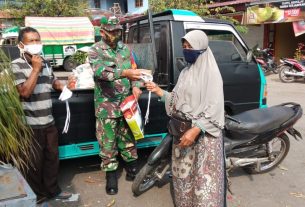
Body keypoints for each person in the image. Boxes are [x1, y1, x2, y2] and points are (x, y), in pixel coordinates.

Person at [146, 30, 226, 207]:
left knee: (203, 181)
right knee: (183, 178)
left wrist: (196, 129)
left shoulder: (212, 75)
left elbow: (215, 108)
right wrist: (159, 91)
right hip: (182, 132)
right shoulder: (186, 73)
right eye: (184, 46)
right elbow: (177, 100)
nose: (186, 49)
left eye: (190, 46)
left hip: (203, 138)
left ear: (202, 48)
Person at [11, 27, 72, 204]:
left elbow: (52, 81)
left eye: (38, 40)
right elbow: (24, 92)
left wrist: (62, 86)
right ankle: (37, 196)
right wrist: (35, 69)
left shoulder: (45, 63)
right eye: (31, 41)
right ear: (21, 45)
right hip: (30, 124)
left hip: (48, 121)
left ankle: (52, 191)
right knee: (33, 163)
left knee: (52, 159)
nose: (36, 44)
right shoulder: (16, 65)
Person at [88, 16, 143, 195]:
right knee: (108, 143)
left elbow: (134, 69)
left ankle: (132, 168)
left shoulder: (125, 48)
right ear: (102, 31)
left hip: (127, 104)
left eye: (117, 31)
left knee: (128, 138)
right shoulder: (95, 50)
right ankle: (111, 176)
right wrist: (124, 72)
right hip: (107, 106)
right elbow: (100, 72)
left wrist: (136, 86)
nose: (115, 34)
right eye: (111, 31)